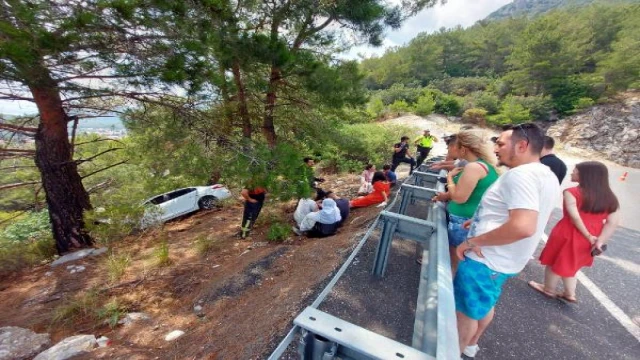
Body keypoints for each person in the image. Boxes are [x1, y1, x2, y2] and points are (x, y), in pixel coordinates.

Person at [453, 123, 560, 358]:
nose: (496, 148)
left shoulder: (521, 175)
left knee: (463, 314)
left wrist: (472, 241)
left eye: (501, 143)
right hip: (504, 262)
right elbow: (525, 213)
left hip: (486, 260)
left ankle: (453, 351)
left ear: (522, 146)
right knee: (483, 304)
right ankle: (471, 345)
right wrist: (482, 221)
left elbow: (523, 225)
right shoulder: (546, 175)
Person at [528, 161, 620, 302]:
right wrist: (599, 241)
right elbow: (612, 222)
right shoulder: (611, 198)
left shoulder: (572, 192)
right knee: (573, 264)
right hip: (594, 235)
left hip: (569, 232)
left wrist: (588, 236)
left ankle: (548, 289)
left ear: (585, 175)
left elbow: (574, 217)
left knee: (555, 261)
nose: (572, 173)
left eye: (575, 171)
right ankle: (569, 293)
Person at [432, 130, 499, 275]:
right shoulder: (486, 165)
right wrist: (443, 196)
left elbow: (460, 197)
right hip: (467, 220)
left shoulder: (473, 167)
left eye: (457, 146)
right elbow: (467, 192)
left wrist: (450, 178)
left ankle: (448, 291)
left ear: (464, 148)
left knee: (453, 260)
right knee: (456, 259)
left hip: (461, 222)